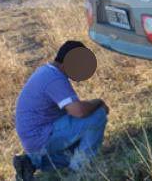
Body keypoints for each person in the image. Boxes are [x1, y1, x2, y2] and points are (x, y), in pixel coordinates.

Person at [13, 40, 109, 180]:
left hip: (33, 138)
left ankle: (30, 162)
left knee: (77, 149)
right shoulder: (55, 79)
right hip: (42, 136)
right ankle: (80, 170)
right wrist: (99, 102)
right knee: (97, 115)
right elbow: (78, 111)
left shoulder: (47, 72)